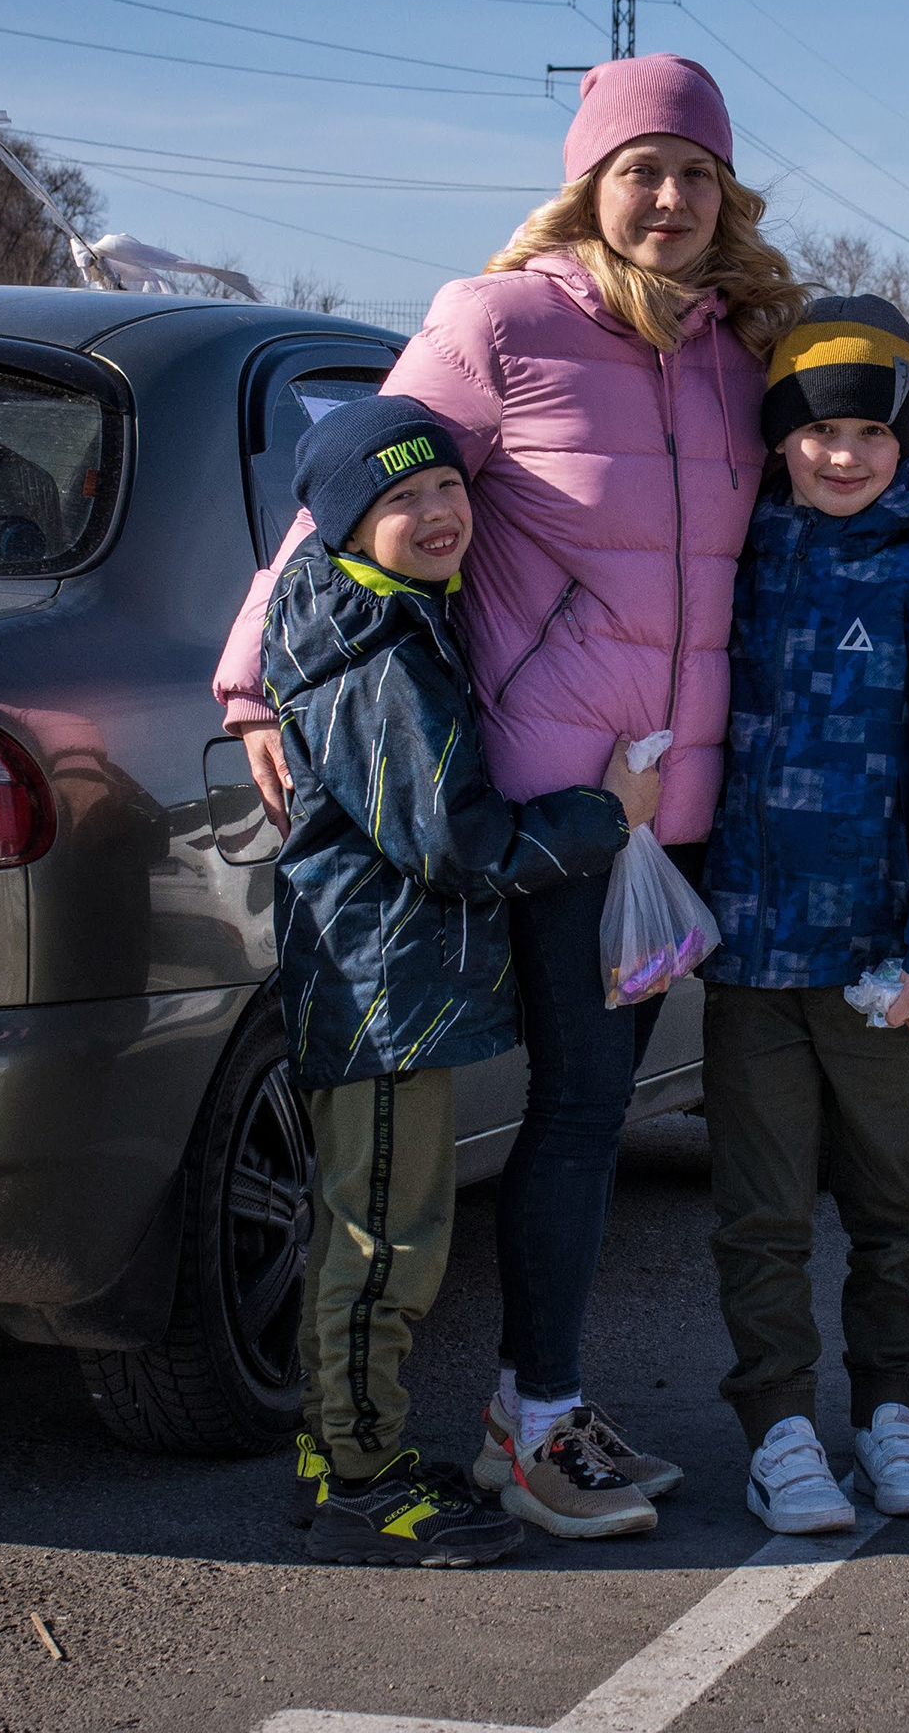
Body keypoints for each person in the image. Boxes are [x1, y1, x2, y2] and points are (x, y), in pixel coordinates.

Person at [214, 55, 809, 1538]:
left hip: (673, 806)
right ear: (587, 185)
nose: (666, 199)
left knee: (602, 1114)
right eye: (637, 170)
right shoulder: (500, 323)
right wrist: (249, 681)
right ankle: (530, 1417)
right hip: (553, 803)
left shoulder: (745, 346)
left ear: (723, 188)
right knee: (580, 1111)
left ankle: (536, 1405)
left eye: (692, 172)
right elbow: (337, 500)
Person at [264, 398, 661, 1565]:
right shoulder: (372, 646)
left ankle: (339, 1449)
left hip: (392, 981)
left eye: (446, 487)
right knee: (383, 1238)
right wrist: (604, 815)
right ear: (345, 522)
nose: (438, 513)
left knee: (380, 1230)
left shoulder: (388, 614)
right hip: (382, 985)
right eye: (400, 499)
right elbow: (455, 842)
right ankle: (360, 1484)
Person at [697, 296, 909, 1536]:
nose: (842, 453)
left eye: (869, 434)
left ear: (903, 439)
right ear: (779, 436)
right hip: (748, 957)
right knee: (761, 1209)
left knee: (894, 1202)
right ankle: (777, 1424)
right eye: (817, 430)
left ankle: (895, 1408)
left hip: (883, 963)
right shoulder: (734, 560)